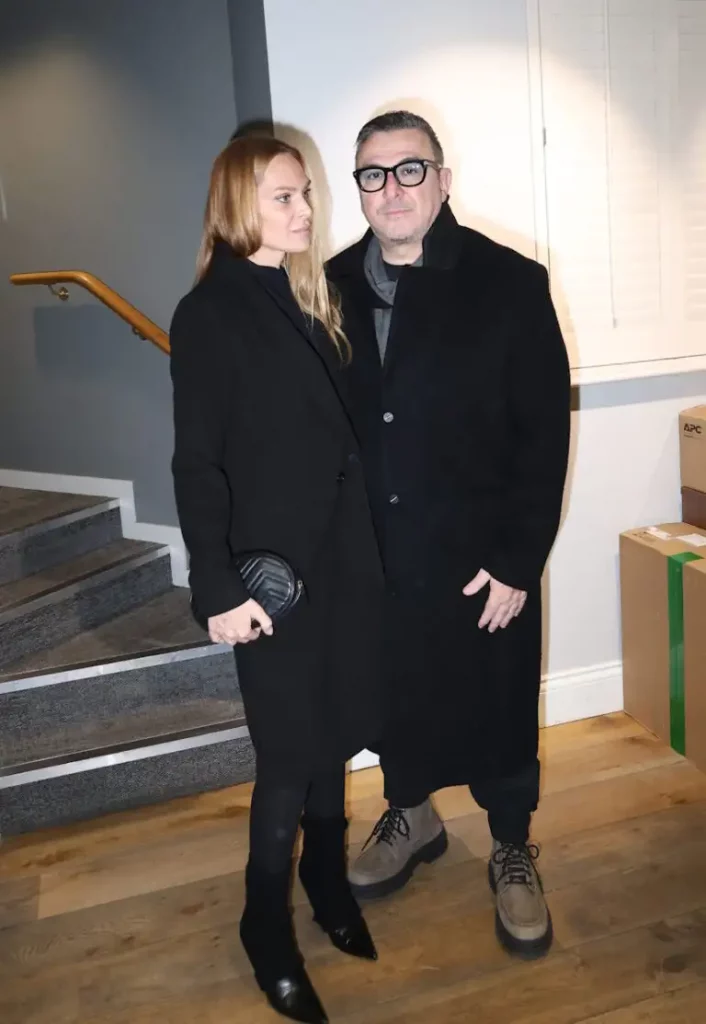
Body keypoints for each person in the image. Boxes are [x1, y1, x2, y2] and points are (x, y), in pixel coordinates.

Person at [327, 111, 571, 960]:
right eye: (373, 173)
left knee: (498, 700)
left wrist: (517, 561)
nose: (391, 189)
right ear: (358, 188)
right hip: (380, 557)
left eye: (409, 169)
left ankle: (510, 845)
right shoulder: (328, 286)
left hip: (480, 558)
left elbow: (543, 435)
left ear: (442, 179)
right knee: (397, 694)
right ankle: (413, 813)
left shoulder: (511, 283)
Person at [170, 135, 383, 1024]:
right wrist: (217, 589)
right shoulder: (209, 313)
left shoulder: (310, 293)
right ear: (238, 206)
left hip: (342, 561)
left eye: (305, 195)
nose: (305, 211)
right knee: (289, 755)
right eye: (285, 197)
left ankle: (326, 880)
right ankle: (265, 922)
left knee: (332, 732)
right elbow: (197, 464)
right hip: (272, 580)